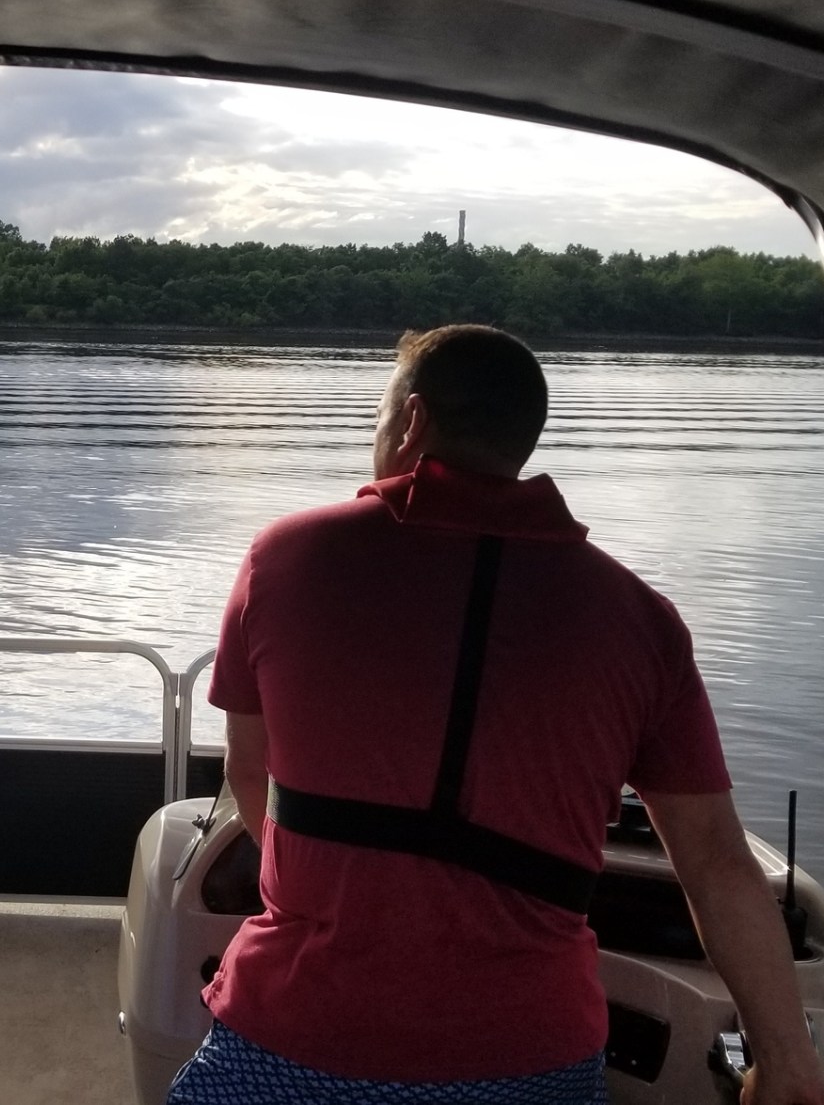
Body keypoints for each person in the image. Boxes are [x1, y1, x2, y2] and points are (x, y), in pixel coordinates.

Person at [171, 324, 824, 1105]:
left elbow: (253, 771)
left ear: (411, 422)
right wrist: (785, 1058)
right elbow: (717, 861)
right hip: (529, 1057)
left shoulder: (287, 557)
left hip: (294, 1031)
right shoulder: (640, 618)